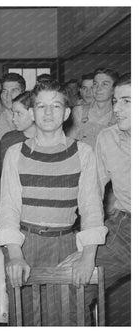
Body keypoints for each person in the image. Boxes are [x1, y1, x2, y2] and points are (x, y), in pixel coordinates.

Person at [0, 80, 107, 325]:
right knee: (26, 319)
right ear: (32, 112)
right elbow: (9, 208)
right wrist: (14, 254)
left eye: (55, 106)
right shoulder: (16, 153)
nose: (47, 113)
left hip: (66, 247)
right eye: (41, 106)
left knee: (69, 318)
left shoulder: (83, 152)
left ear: (66, 113)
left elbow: (91, 208)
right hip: (25, 245)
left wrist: (88, 256)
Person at [91, 73, 131, 323]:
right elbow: (91, 192)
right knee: (70, 281)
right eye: (115, 101)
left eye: (126, 101)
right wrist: (89, 244)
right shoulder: (107, 137)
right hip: (125, 228)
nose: (116, 108)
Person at [68, 68, 118, 148]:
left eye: (104, 84)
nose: (98, 88)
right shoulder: (79, 112)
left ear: (114, 89)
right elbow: (69, 144)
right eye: (95, 84)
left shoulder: (119, 116)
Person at [0, 91, 37, 170]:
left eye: (19, 113)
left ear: (33, 113)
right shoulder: (9, 139)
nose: (13, 119)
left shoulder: (47, 140)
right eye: (13, 113)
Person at [0, 73, 26, 140]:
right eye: (5, 91)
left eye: (14, 91)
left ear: (23, 93)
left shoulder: (34, 118)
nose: (8, 96)